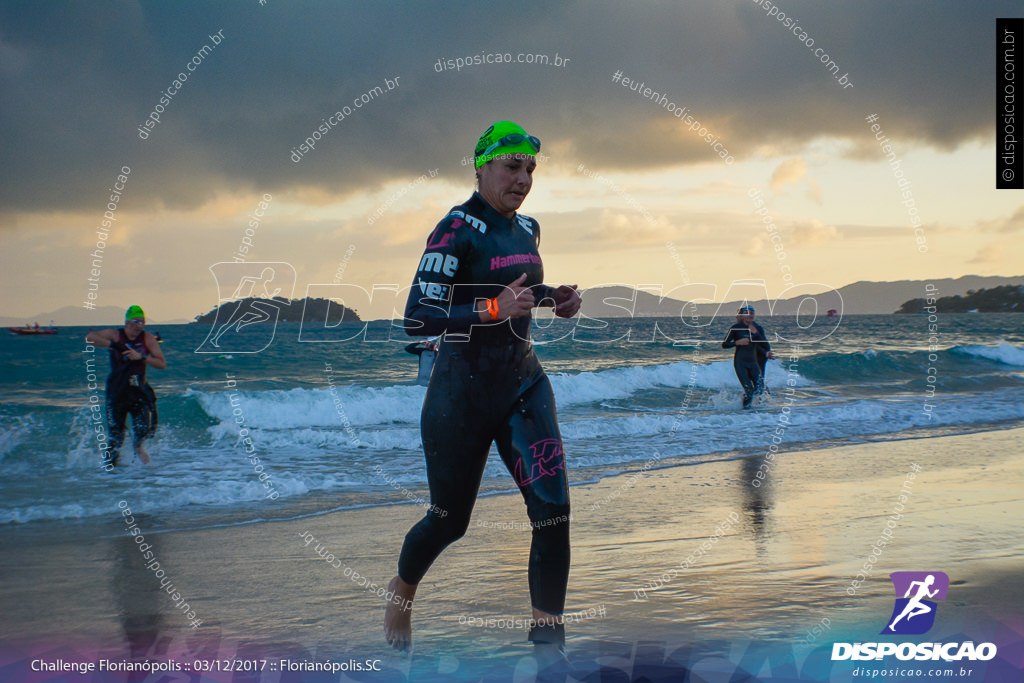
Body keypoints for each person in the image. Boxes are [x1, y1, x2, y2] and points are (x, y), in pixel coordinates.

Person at [384, 121, 581, 652]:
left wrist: (551, 297)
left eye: (530, 170)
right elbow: (418, 318)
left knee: (554, 513)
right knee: (449, 522)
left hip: (523, 385)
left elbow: (519, 287)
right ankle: (401, 591)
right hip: (460, 396)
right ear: (482, 166)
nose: (523, 180)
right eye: (512, 168)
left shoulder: (529, 228)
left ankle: (549, 648)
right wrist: (493, 309)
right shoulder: (454, 230)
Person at [86, 305, 166, 466]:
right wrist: (114, 345)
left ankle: (138, 449)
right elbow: (90, 337)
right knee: (116, 437)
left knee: (143, 431)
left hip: (138, 392)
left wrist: (141, 357)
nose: (139, 326)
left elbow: (161, 363)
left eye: (142, 322)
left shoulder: (147, 339)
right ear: (127, 321)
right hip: (117, 393)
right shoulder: (115, 335)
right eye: (136, 321)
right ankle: (110, 474)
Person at [721, 305, 774, 408]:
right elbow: (724, 344)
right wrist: (737, 342)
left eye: (752, 313)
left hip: (753, 363)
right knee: (749, 391)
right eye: (747, 313)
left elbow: (766, 345)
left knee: (760, 388)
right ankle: (745, 415)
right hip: (741, 363)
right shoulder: (735, 328)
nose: (750, 315)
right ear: (743, 315)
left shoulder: (758, 328)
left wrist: (756, 334)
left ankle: (758, 414)